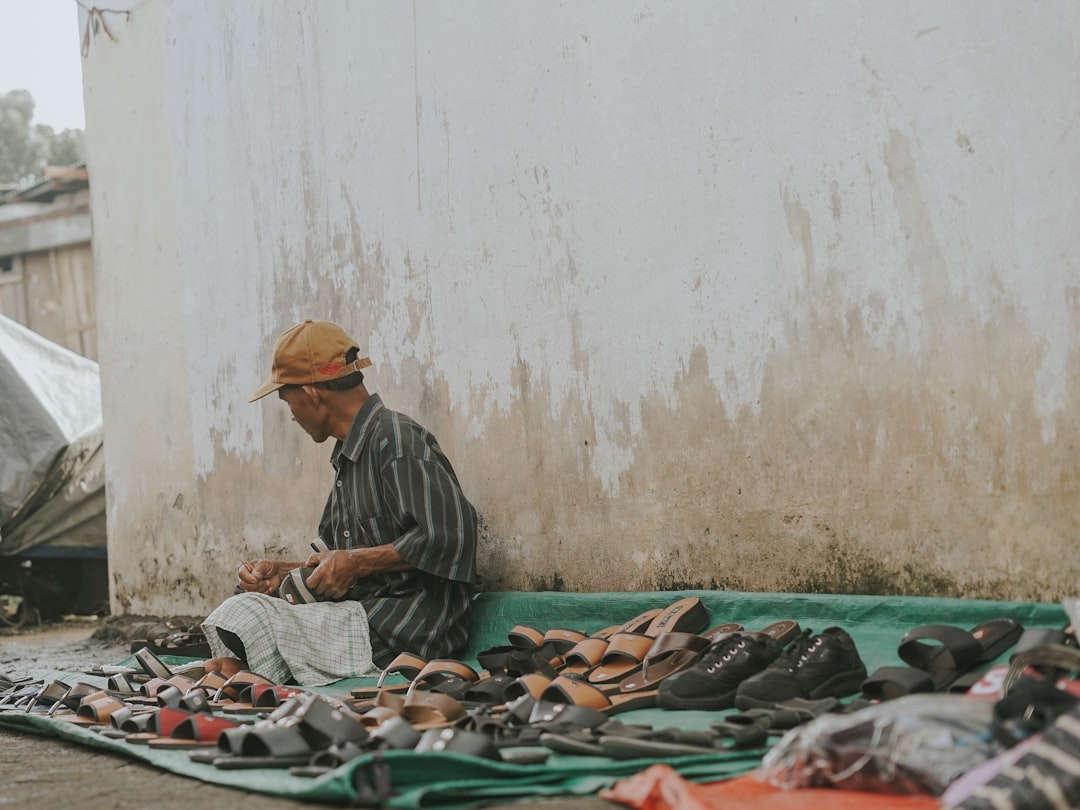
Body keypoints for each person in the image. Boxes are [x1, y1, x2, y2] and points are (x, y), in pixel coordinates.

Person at [201, 319, 479, 685]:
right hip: (363, 614)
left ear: (312, 393)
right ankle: (243, 670)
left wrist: (358, 563)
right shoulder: (348, 456)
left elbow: (452, 535)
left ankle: (246, 674)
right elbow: (333, 559)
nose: (291, 413)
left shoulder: (396, 440)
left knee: (252, 618)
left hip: (411, 627)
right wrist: (281, 573)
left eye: (287, 399)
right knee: (246, 604)